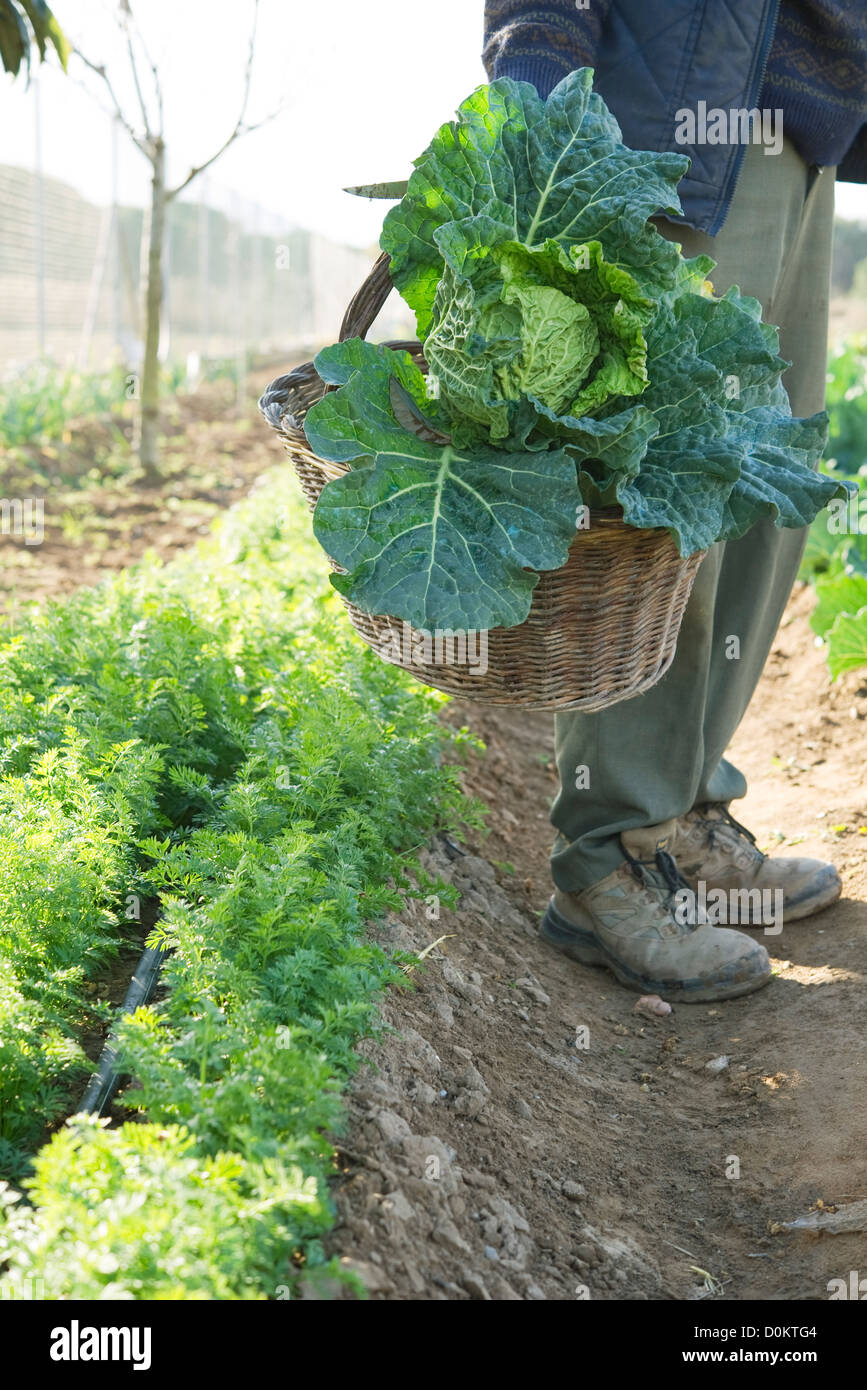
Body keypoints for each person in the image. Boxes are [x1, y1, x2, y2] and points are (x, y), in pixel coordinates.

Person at [482, 0, 867, 1002]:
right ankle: (608, 857)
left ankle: (686, 816)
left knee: (762, 493)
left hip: (798, 129)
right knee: (660, 499)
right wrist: (537, 71)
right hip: (667, 127)